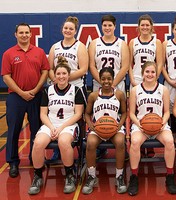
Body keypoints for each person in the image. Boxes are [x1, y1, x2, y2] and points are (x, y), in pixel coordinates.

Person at [28, 57, 85, 195]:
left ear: (69, 75)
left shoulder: (76, 90)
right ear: (54, 75)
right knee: (38, 143)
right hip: (50, 124)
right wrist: (52, 127)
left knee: (63, 142)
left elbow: (78, 114)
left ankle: (69, 175)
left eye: (64, 74)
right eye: (58, 74)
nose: (61, 76)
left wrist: (60, 128)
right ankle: (37, 176)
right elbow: (43, 114)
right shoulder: (48, 91)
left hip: (69, 125)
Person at [1, 23, 50, 178]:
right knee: (14, 130)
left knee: (37, 129)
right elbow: (6, 77)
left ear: (30, 34)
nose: (24, 35)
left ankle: (35, 158)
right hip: (16, 97)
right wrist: (21, 92)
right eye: (21, 32)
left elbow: (45, 71)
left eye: (26, 32)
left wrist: (35, 90)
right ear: (15, 34)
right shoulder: (8, 54)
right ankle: (13, 162)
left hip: (36, 96)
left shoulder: (39, 52)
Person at [127, 61, 176, 196]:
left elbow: (167, 111)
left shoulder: (163, 89)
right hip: (141, 125)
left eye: (153, 72)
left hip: (159, 124)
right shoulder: (135, 90)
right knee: (135, 142)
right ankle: (134, 176)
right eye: (147, 72)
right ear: (142, 74)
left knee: (169, 141)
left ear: (157, 74)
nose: (150, 74)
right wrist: (139, 124)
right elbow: (131, 113)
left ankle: (170, 175)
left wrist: (162, 122)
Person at [48, 16, 88, 161]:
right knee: (55, 116)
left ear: (75, 31)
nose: (68, 30)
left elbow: (83, 69)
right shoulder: (55, 47)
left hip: (76, 87)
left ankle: (82, 149)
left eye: (71, 28)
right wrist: (57, 79)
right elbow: (50, 68)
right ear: (62, 29)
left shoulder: (80, 46)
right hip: (58, 89)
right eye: (66, 28)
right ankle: (57, 149)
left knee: (80, 118)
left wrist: (63, 78)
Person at [89, 14, 129, 158]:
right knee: (98, 113)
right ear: (102, 26)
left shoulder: (121, 44)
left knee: (118, 113)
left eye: (110, 25)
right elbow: (91, 66)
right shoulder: (94, 43)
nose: (107, 28)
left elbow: (125, 66)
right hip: (98, 84)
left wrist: (112, 83)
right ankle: (100, 146)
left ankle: (121, 144)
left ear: (114, 26)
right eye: (105, 25)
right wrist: (102, 82)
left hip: (117, 84)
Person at [82, 67, 127, 195]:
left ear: (113, 80)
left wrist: (120, 125)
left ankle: (119, 176)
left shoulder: (119, 94)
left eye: (109, 79)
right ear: (99, 80)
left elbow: (124, 113)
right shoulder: (93, 95)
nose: (106, 81)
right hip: (98, 127)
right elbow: (87, 113)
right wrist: (91, 125)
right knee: (90, 144)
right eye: (103, 79)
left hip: (114, 127)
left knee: (120, 142)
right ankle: (91, 176)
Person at [128, 14, 163, 158]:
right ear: (138, 27)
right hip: (136, 80)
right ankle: (140, 144)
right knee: (137, 111)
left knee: (153, 108)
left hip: (151, 80)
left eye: (147, 25)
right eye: (142, 25)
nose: (145, 27)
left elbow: (159, 63)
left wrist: (153, 79)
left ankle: (151, 141)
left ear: (151, 27)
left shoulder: (157, 42)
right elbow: (129, 64)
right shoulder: (132, 42)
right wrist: (133, 80)